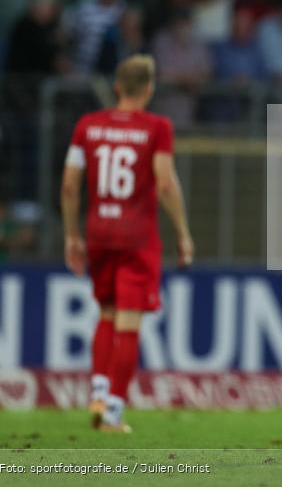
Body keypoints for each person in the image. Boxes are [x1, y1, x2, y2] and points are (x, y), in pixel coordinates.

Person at [61, 55, 194, 432]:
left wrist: (72, 235)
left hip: (99, 232)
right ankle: (113, 413)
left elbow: (69, 185)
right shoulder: (157, 127)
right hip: (136, 237)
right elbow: (165, 183)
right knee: (129, 322)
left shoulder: (88, 125)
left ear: (117, 86)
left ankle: (99, 392)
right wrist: (183, 232)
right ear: (149, 89)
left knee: (106, 313)